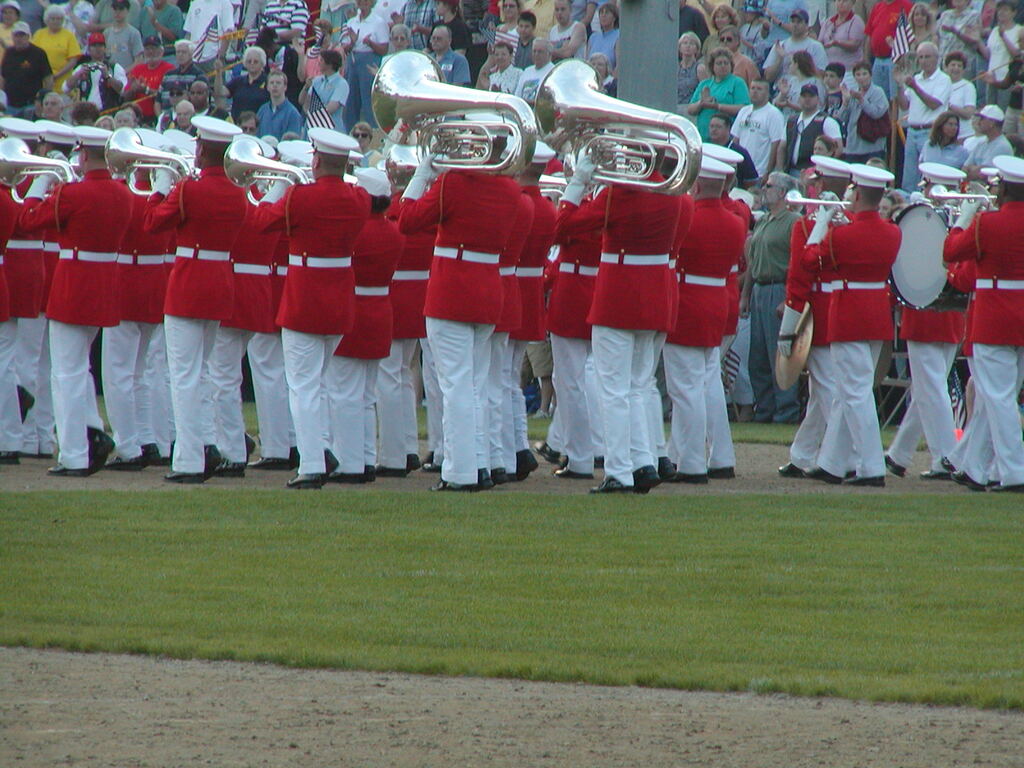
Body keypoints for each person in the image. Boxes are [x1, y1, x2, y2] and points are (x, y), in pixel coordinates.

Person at [399, 119, 523, 492]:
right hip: (487, 292)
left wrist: (423, 174)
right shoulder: (510, 190)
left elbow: (406, 220)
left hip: (453, 291)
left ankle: (460, 471)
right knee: (475, 385)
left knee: (455, 387)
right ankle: (480, 464)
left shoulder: (452, 183)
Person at [554, 147, 681, 494]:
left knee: (614, 389)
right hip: (655, 297)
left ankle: (620, 472)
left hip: (619, 297)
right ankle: (642, 462)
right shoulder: (674, 192)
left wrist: (580, 181)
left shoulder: (619, 194)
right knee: (638, 386)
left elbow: (561, 225)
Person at [252, 128, 371, 489]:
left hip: (305, 301)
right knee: (317, 384)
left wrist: (279, 184)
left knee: (303, 387)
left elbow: (259, 222)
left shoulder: (300, 196)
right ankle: (320, 450)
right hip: (338, 302)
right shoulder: (359, 198)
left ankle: (311, 466)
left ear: (315, 160)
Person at [18, 125, 132, 476]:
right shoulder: (123, 193)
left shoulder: (73, 193)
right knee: (79, 368)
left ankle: (73, 454)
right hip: (104, 287)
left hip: (73, 286)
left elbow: (27, 220)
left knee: (65, 374)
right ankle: (93, 433)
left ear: (82, 154)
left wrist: (38, 187)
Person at [143, 116, 248, 483]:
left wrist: (159, 189)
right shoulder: (238, 193)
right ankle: (207, 446)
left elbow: (152, 224)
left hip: (189, 285)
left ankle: (189, 460)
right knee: (201, 373)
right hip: (219, 284)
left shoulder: (190, 188)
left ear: (202, 149)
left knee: (184, 376)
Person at [803, 163, 902, 486]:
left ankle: (871, 466)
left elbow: (810, 261)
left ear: (857, 194)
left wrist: (821, 225)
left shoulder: (842, 234)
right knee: (849, 392)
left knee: (855, 393)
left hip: (849, 314)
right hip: (876, 314)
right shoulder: (893, 231)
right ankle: (833, 462)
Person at [943, 154, 1024, 492]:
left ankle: (1013, 471)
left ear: (1003, 188)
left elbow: (951, 251)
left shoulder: (987, 223)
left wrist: (962, 219)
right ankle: (975, 467)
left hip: (994, 317)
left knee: (999, 398)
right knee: (1000, 396)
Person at [662, 155, 744, 483]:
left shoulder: (689, 216)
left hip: (687, 305)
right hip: (716, 303)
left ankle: (692, 462)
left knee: (685, 389)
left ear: (695, 184)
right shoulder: (736, 221)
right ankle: (682, 455)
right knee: (699, 383)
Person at [100, 129, 175, 470]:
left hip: (128, 284)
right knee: (143, 371)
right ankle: (150, 441)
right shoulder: (166, 196)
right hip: (153, 285)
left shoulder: (127, 194)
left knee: (118, 373)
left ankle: (130, 446)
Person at [777, 155, 851, 478]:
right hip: (839, 312)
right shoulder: (851, 226)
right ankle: (803, 453)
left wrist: (789, 326)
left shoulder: (808, 226)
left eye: (816, 184)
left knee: (830, 392)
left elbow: (799, 277)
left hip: (824, 313)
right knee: (824, 393)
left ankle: (838, 459)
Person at [509, 142, 557, 480]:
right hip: (529, 291)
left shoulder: (514, 203)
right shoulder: (548, 209)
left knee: (498, 380)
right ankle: (514, 448)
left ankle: (510, 450)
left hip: (508, 286)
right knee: (508, 378)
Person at [743, 171, 801, 423]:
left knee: (779, 352)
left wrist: (788, 297)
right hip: (759, 288)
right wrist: (745, 296)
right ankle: (764, 408)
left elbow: (797, 263)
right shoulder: (764, 220)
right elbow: (752, 262)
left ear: (782, 193)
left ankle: (785, 410)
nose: (764, 189)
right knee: (758, 355)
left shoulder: (793, 222)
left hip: (778, 288)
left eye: (769, 186)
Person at [342, 0, 389, 129]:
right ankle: (350, 132)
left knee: (369, 101)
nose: (363, 3)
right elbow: (345, 48)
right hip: (353, 61)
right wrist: (352, 43)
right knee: (351, 100)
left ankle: (373, 133)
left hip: (369, 62)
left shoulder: (378, 22)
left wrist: (370, 43)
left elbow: (384, 49)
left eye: (366, 0)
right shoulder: (351, 22)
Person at [686, 46, 750, 140]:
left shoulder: (737, 83)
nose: (723, 66)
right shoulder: (705, 83)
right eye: (719, 63)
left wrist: (718, 106)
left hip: (727, 137)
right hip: (704, 136)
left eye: (726, 63)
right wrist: (701, 103)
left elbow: (744, 109)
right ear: (712, 66)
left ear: (731, 65)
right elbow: (690, 109)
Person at [779, 84, 843, 174]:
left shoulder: (827, 121)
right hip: (790, 170)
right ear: (799, 98)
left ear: (817, 99)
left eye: (811, 96)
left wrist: (823, 170)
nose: (807, 99)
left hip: (813, 173)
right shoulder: (791, 121)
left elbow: (838, 148)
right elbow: (782, 147)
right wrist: (780, 170)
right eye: (804, 96)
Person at [731, 78, 785, 179]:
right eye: (752, 88)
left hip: (759, 172)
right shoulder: (744, 111)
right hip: (740, 170)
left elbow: (776, 144)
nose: (755, 91)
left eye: (759, 89)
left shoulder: (774, 114)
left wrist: (768, 171)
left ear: (768, 93)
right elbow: (736, 140)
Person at [838, 61, 889, 162]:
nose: (861, 77)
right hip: (853, 147)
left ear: (870, 75)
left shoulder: (878, 92)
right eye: (858, 74)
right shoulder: (853, 92)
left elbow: (876, 113)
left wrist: (861, 100)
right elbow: (842, 118)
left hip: (873, 147)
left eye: (864, 74)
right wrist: (845, 102)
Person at [863, 0, 914, 99]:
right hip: (877, 60)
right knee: (877, 97)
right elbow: (869, 34)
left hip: (896, 60)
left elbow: (911, 31)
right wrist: (866, 59)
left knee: (895, 98)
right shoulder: (877, 7)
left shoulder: (906, 6)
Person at [762, 9, 827, 85]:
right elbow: (768, 77)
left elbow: (821, 74)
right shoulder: (780, 45)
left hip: (806, 90)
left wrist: (794, 60)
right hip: (781, 90)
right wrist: (780, 58)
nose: (795, 25)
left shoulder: (815, 46)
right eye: (793, 21)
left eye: (799, 22)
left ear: (806, 25)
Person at [64, 33, 125, 112]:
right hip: (86, 114)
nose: (97, 48)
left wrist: (107, 76)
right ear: (89, 49)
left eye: (100, 45)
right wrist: (78, 75)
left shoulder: (114, 67)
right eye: (94, 45)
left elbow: (122, 90)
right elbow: (65, 88)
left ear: (105, 48)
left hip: (109, 112)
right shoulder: (82, 67)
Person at [2, 21, 52, 117]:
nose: (19, 39)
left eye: (22, 35)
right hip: (10, 104)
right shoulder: (8, 53)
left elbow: (48, 78)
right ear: (12, 37)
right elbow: (3, 77)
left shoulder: (39, 53)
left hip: (31, 104)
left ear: (28, 36)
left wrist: (43, 100)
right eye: (16, 35)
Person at [980, 0, 1022, 109]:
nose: (1001, 12)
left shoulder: (1019, 30)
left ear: (1014, 13)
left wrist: (1003, 36)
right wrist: (977, 42)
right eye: (999, 9)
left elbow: (1017, 55)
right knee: (990, 111)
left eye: (1005, 10)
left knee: (1002, 111)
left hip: (1006, 79)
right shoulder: (994, 30)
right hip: (991, 77)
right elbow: (988, 55)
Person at [123, 36, 174, 124]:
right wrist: (133, 89)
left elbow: (167, 96)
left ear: (161, 51)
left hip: (156, 117)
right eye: (147, 49)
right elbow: (125, 97)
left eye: (153, 48)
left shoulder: (169, 69)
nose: (150, 52)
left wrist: (146, 90)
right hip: (136, 118)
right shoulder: (137, 69)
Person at [31, 6, 80, 90]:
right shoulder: (39, 34)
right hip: (41, 80)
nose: (56, 21)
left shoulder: (69, 35)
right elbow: (32, 55)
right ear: (47, 20)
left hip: (62, 80)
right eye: (53, 19)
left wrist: (56, 75)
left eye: (59, 19)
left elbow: (73, 60)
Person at [300, 50, 347, 132]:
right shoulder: (316, 80)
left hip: (331, 129)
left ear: (329, 63)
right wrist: (306, 87)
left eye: (321, 60)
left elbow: (331, 108)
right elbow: (302, 102)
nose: (318, 63)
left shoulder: (342, 84)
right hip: (312, 127)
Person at [963, 105, 1013, 180]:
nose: (979, 122)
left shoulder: (1002, 146)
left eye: (982, 119)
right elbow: (965, 168)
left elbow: (983, 174)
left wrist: (972, 168)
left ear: (992, 123)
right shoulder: (981, 143)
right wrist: (974, 169)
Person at [708, 112, 757, 187]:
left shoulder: (740, 153)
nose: (714, 130)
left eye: (718, 127)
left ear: (728, 129)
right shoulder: (705, 150)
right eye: (711, 126)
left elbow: (751, 180)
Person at [937, 0, 981, 81]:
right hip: (943, 63)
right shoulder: (945, 15)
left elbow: (974, 40)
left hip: (961, 65)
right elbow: (936, 36)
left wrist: (956, 32)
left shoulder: (973, 15)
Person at [158, 40, 206, 112]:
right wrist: (161, 118)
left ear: (191, 54)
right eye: (178, 52)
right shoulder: (168, 75)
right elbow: (157, 100)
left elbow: (200, 101)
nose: (180, 55)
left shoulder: (199, 75)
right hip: (166, 116)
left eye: (184, 52)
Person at [224, 45, 269, 122]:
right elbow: (220, 92)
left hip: (258, 126)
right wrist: (218, 74)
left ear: (262, 63)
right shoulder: (238, 81)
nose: (252, 63)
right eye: (249, 61)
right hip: (237, 125)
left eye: (255, 61)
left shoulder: (268, 81)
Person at [818, 0, 864, 75]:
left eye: (845, 1)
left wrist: (837, 43)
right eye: (838, 1)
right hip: (829, 70)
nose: (841, 3)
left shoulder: (856, 21)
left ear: (852, 3)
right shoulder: (828, 21)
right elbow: (820, 42)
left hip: (848, 71)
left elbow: (855, 45)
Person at [256, 70, 302, 139]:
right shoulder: (262, 110)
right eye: (271, 83)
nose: (275, 85)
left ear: (285, 87)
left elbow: (293, 142)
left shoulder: (293, 114)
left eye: (278, 83)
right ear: (267, 87)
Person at [945, 51, 977, 142]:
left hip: (963, 136)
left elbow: (968, 113)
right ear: (946, 67)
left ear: (963, 70)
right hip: (944, 136)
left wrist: (949, 105)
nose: (956, 68)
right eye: (953, 65)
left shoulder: (968, 86)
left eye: (959, 66)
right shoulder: (940, 85)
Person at [104, 0, 143, 72]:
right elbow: (104, 57)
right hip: (111, 77)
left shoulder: (134, 33)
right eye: (115, 9)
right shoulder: (107, 33)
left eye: (121, 9)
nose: (117, 12)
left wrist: (123, 73)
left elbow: (139, 61)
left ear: (127, 11)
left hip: (128, 76)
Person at [514, 37, 553, 104]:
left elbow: (549, 102)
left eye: (540, 51)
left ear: (549, 54)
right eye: (534, 51)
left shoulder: (553, 72)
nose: (536, 54)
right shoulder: (527, 71)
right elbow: (517, 96)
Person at [586, 1, 618, 70]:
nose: (603, 15)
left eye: (607, 13)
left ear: (614, 17)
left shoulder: (618, 36)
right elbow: (587, 62)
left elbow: (619, 66)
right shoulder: (593, 37)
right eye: (601, 13)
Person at [676, 31, 703, 110]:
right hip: (675, 107)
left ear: (697, 48)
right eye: (685, 43)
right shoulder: (675, 68)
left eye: (691, 43)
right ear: (680, 48)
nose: (688, 46)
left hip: (692, 108)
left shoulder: (700, 68)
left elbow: (705, 91)